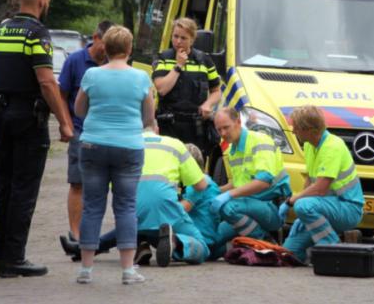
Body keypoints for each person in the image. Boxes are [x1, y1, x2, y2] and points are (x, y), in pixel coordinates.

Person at [0, 0, 74, 278]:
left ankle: (1, 260)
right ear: (42, 1)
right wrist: (63, 121)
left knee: (4, 186)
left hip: (2, 116)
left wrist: (11, 83)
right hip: (28, 118)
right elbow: (46, 81)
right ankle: (15, 258)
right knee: (24, 189)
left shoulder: (0, 31)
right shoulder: (36, 33)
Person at [73, 26, 154, 285]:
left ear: (105, 49)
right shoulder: (141, 78)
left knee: (92, 206)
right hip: (129, 146)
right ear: (130, 50)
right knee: (126, 206)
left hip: (93, 145)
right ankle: (128, 271)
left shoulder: (92, 74)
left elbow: (79, 108)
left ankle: (86, 269)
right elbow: (148, 117)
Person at [64, 127, 212, 268]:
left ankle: (85, 248)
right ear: (157, 130)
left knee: (133, 225)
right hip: (165, 209)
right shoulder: (174, 144)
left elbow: (115, 189)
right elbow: (201, 184)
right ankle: (176, 243)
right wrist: (188, 202)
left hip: (132, 212)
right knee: (202, 247)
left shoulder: (123, 147)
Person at [281, 105, 364, 262]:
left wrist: (292, 201)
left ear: (310, 130)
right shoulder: (309, 145)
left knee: (303, 206)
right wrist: (301, 218)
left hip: (348, 208)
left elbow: (320, 188)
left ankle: (332, 249)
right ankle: (315, 252)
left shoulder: (332, 147)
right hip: (328, 207)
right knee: (288, 253)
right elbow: (309, 181)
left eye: (296, 128)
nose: (293, 132)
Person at [58, 20, 113, 247]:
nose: (107, 50)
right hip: (81, 132)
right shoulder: (75, 61)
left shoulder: (113, 63)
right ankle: (76, 233)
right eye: (105, 44)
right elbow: (61, 94)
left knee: (101, 185)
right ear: (96, 38)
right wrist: (66, 124)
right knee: (78, 183)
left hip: (106, 134)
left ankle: (92, 234)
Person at [211, 107, 291, 243]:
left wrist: (228, 195)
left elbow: (263, 181)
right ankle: (250, 239)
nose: (223, 133)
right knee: (214, 242)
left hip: (271, 207)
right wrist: (213, 191)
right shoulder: (232, 150)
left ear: (238, 122)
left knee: (227, 207)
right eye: (219, 130)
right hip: (247, 207)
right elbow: (238, 184)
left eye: (226, 127)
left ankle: (264, 241)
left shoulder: (259, 141)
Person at [152, 17, 222, 161]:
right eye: (175, 36)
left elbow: (216, 91)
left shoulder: (204, 60)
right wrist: (178, 66)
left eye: (183, 38)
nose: (178, 41)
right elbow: (162, 89)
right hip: (169, 125)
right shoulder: (164, 58)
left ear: (192, 39)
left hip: (195, 127)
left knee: (193, 170)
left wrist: (208, 104)